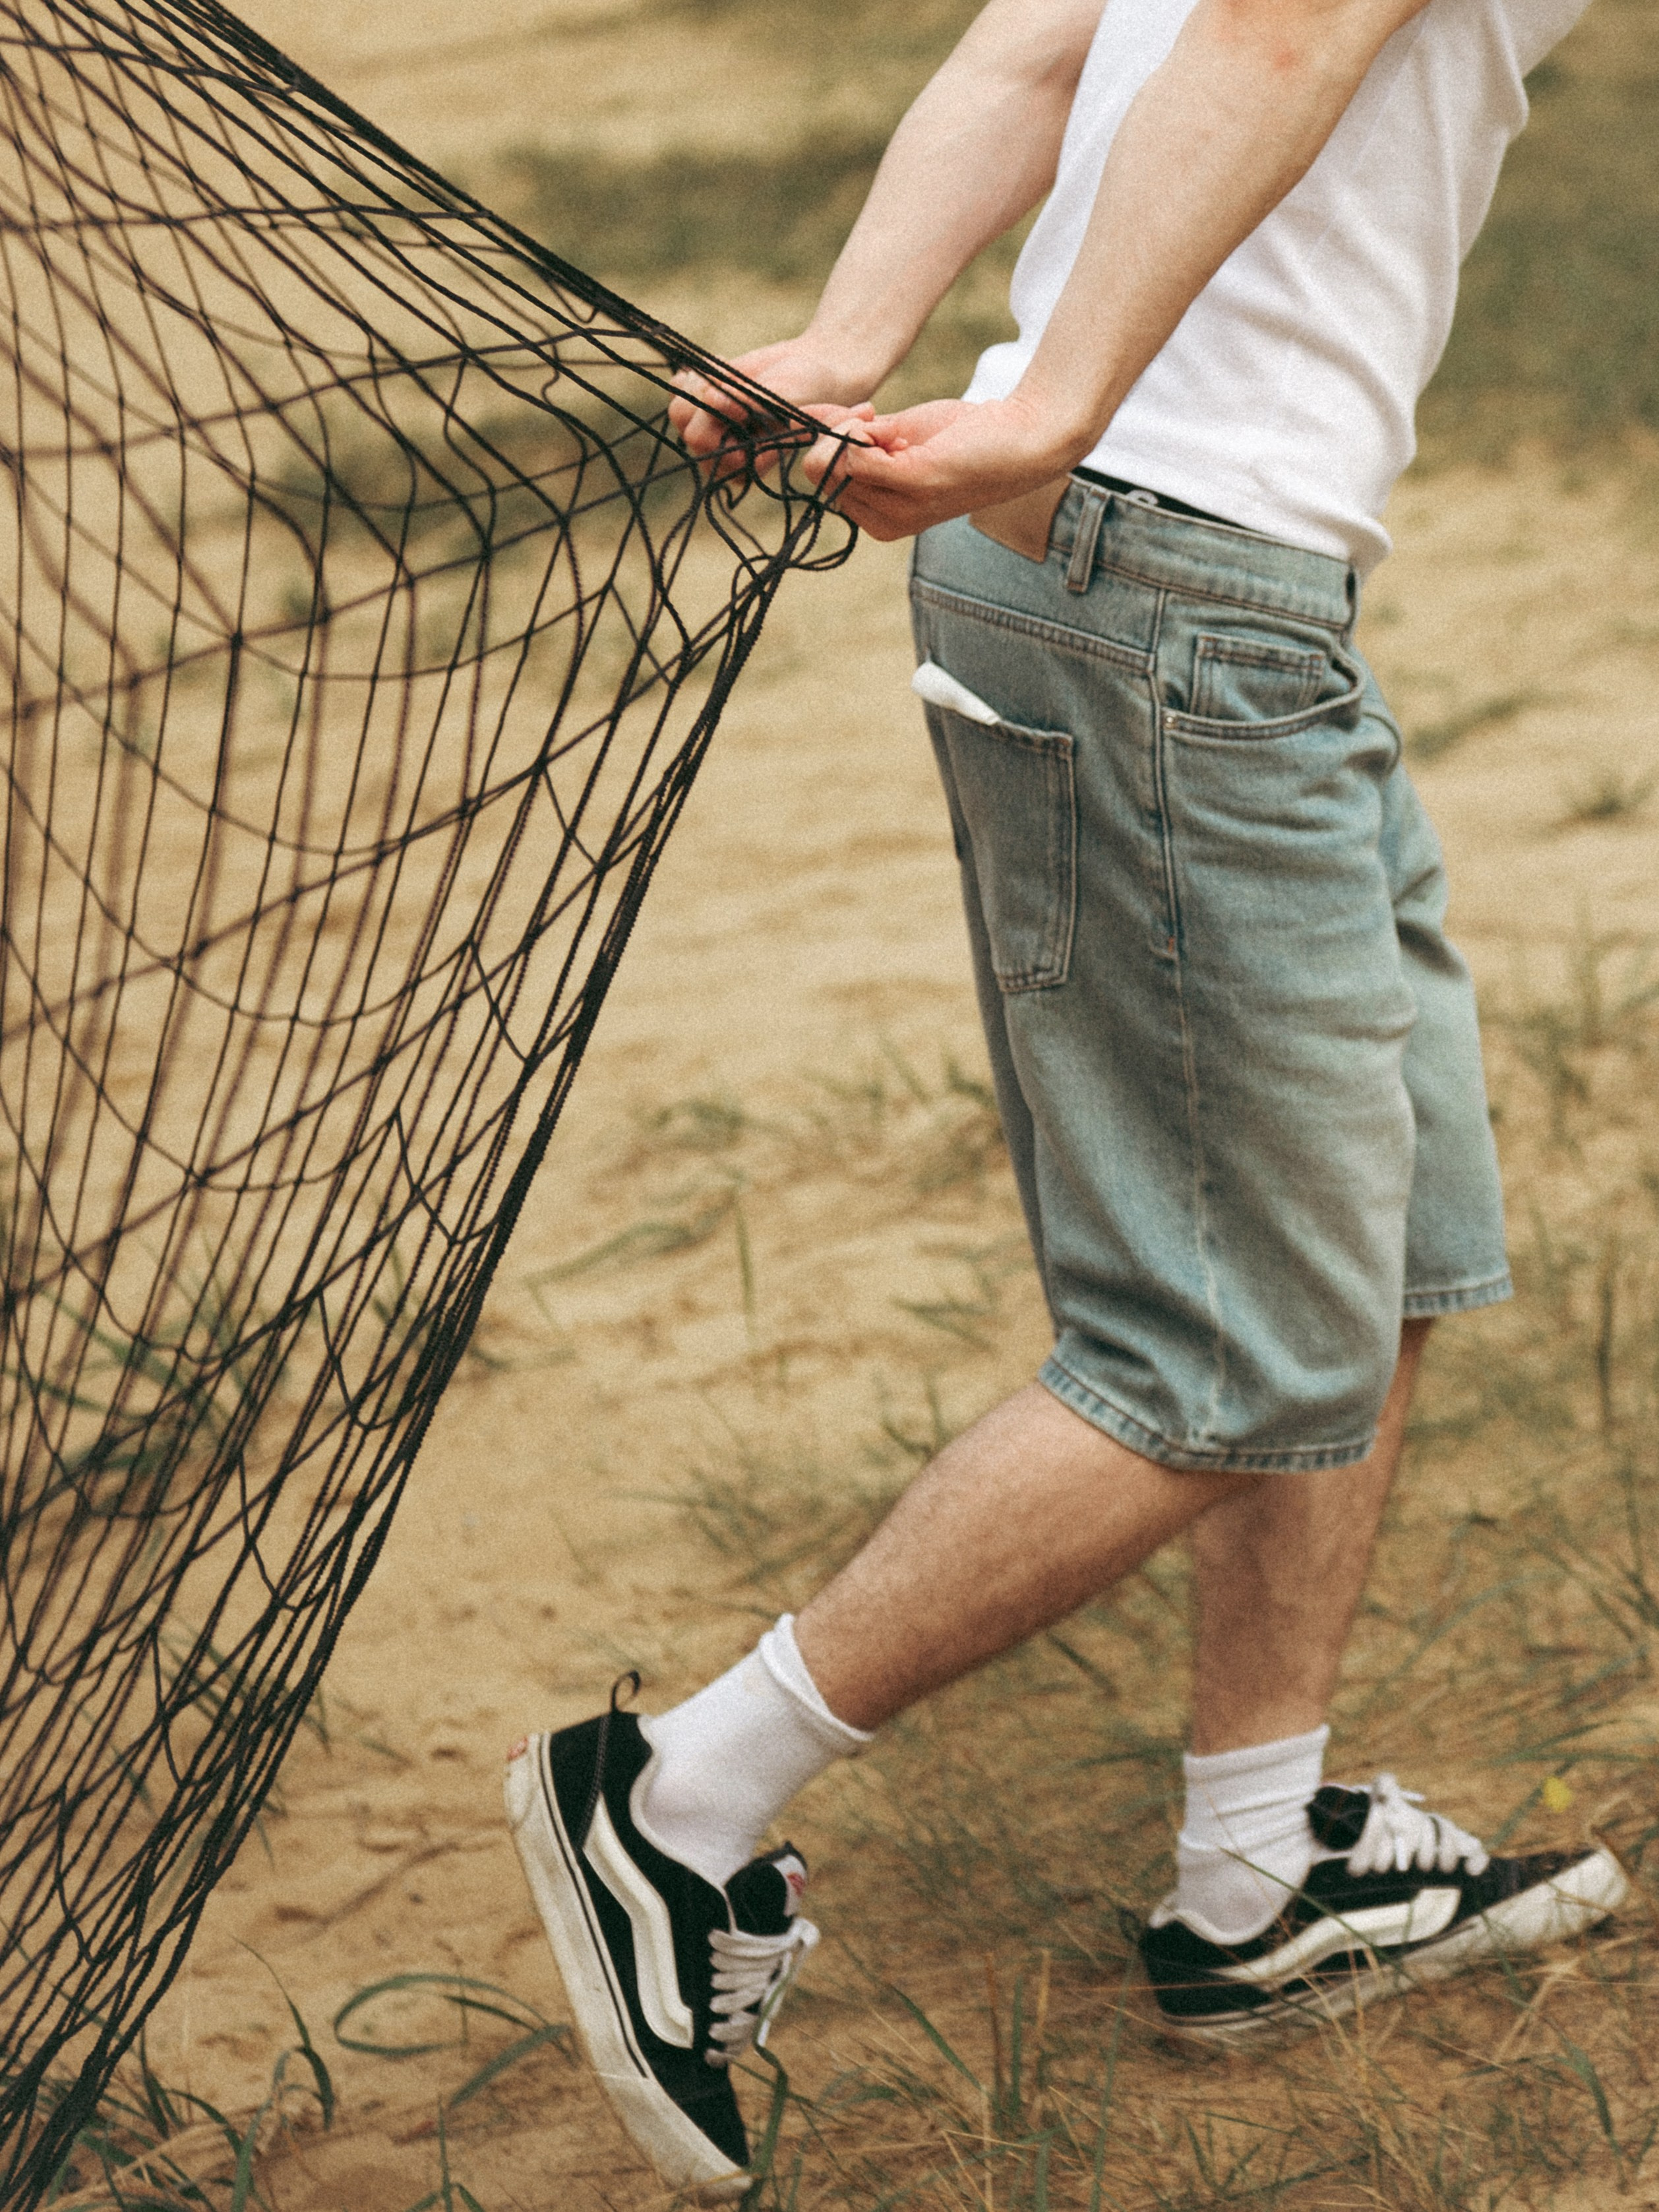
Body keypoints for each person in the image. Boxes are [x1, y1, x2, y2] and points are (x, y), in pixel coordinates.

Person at [504, 0, 1626, 2192]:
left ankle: (1253, 1860)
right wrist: (1052, 397)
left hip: (1186, 572)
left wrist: (863, 336)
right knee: (1223, 1344)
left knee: (1386, 1226)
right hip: (1167, 584)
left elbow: (1036, 45)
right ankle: (676, 1796)